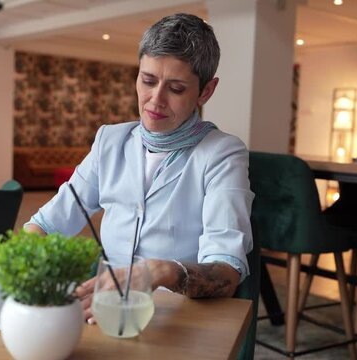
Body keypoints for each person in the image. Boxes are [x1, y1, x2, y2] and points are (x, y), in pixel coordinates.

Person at [24, 13, 254, 322]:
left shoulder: (223, 154)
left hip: (178, 316)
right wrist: (27, 269)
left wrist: (159, 271)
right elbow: (47, 224)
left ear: (206, 92)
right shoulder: (109, 141)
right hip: (103, 308)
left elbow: (227, 274)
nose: (155, 100)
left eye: (175, 88)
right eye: (147, 81)